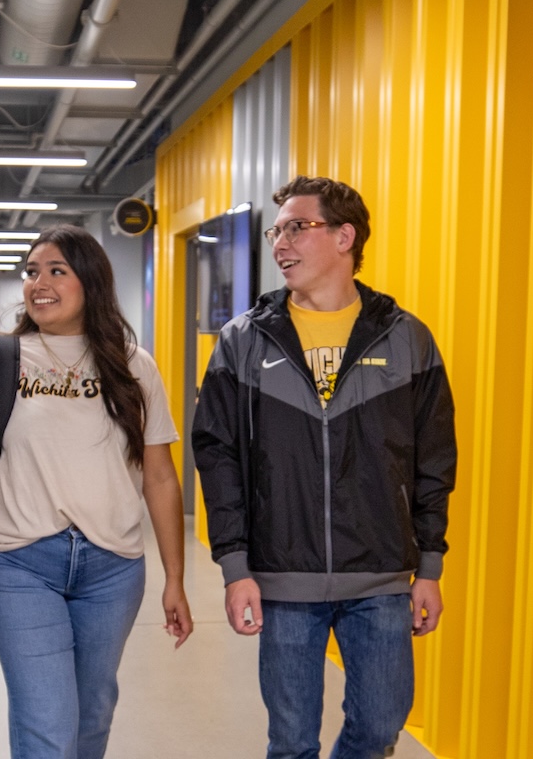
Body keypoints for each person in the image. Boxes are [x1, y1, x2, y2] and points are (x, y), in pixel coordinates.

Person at [192, 176, 457, 759]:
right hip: (283, 577)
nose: (280, 243)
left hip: (382, 575)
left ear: (345, 237)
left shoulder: (407, 338)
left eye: (297, 227)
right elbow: (218, 459)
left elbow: (434, 458)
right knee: (289, 742)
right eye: (277, 229)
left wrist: (430, 566)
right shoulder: (243, 341)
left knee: (380, 728)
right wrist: (236, 567)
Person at [0, 225, 193, 759]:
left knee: (92, 712)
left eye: (56, 271)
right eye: (31, 272)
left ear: (90, 283)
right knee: (47, 724)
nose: (38, 283)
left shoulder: (133, 366)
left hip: (113, 567)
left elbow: (160, 477)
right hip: (20, 564)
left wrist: (175, 578)